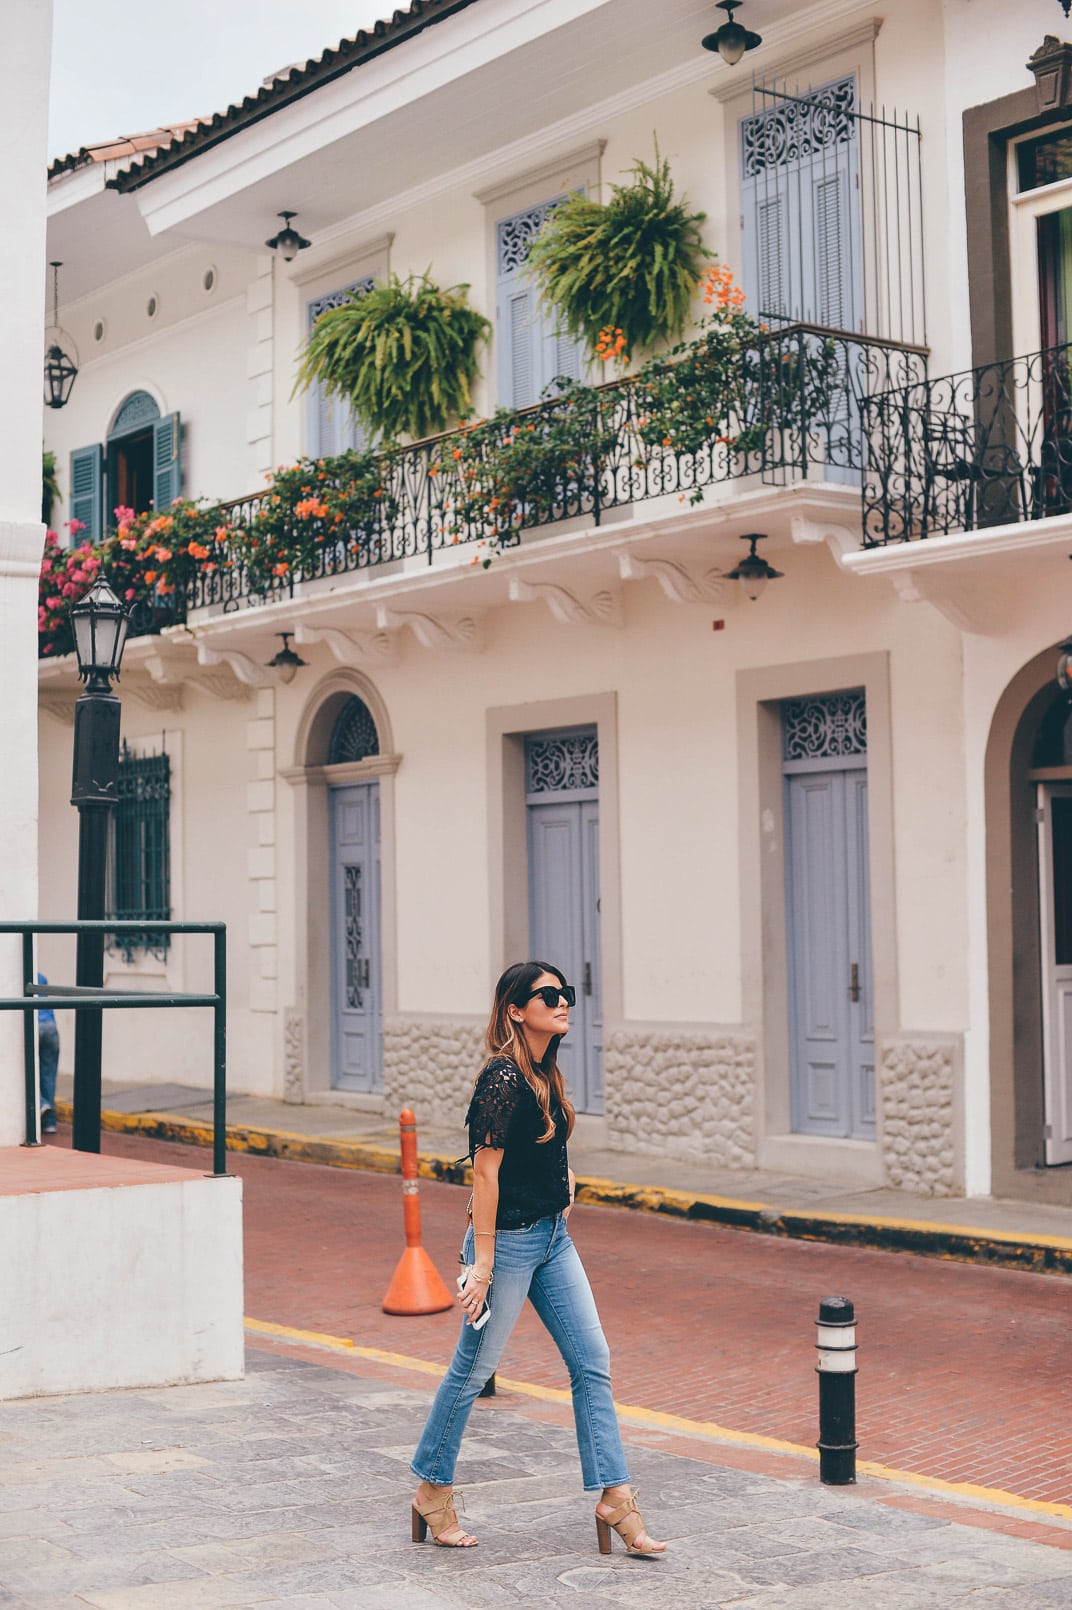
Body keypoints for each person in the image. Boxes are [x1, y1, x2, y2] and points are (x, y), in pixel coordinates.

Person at [410, 960, 665, 1557]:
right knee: (472, 1371)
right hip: (509, 1245)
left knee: (592, 1360)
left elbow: (532, 1151)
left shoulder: (544, 1072)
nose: (563, 1002)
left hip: (552, 1240)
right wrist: (485, 1262)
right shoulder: (501, 1078)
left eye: (565, 993)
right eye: (548, 995)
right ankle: (431, 1489)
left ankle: (615, 1496)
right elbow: (487, 1171)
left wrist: (564, 1176)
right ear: (515, 1010)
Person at [37, 973, 59, 1135]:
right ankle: (49, 1123)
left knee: (22, 1070)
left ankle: (40, 1103)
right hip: (50, 1026)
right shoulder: (42, 976)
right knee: (48, 1076)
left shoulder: (15, 973)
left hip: (34, 1023)